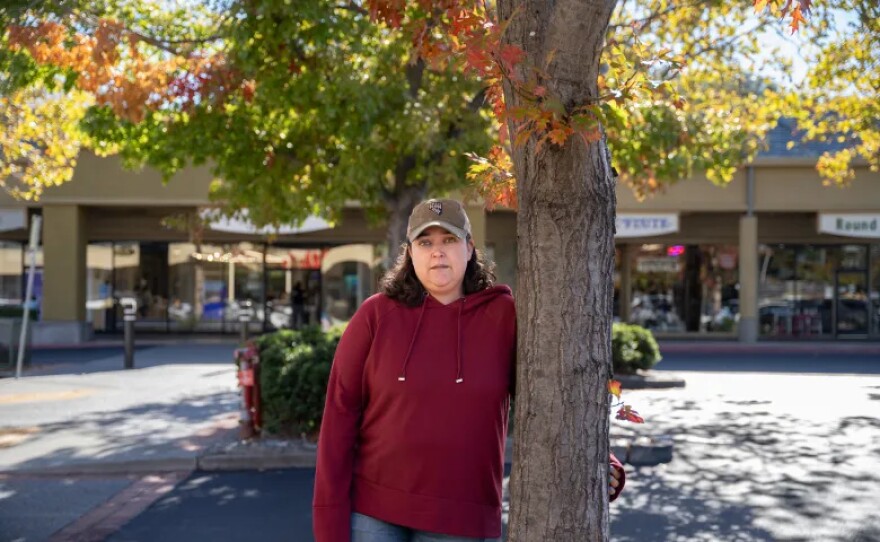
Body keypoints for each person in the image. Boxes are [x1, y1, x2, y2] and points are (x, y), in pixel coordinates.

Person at [313, 198, 625, 542]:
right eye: (425, 242)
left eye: (449, 240)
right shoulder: (375, 316)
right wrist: (329, 523)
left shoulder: (504, 316)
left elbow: (552, 394)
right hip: (374, 511)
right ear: (410, 252)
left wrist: (601, 460)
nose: (438, 252)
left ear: (469, 247)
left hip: (463, 516)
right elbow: (339, 418)